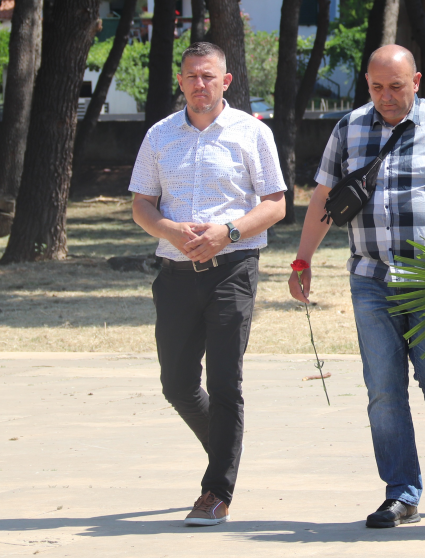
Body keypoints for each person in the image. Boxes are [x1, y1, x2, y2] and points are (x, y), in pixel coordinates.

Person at [288, 45, 425, 529]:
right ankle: (402, 493)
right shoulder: (349, 128)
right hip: (370, 280)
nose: (386, 96)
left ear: (416, 82)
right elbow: (324, 197)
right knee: (383, 390)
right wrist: (302, 259)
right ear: (367, 83)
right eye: (377, 87)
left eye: (396, 86)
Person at [129, 42, 287, 526]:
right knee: (177, 384)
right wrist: (170, 231)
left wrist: (228, 232)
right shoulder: (159, 135)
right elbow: (142, 205)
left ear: (226, 81)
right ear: (180, 81)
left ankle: (216, 491)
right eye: (192, 76)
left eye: (208, 76)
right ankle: (223, 447)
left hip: (232, 270)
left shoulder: (252, 133)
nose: (200, 84)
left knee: (223, 382)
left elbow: (276, 204)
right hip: (175, 275)